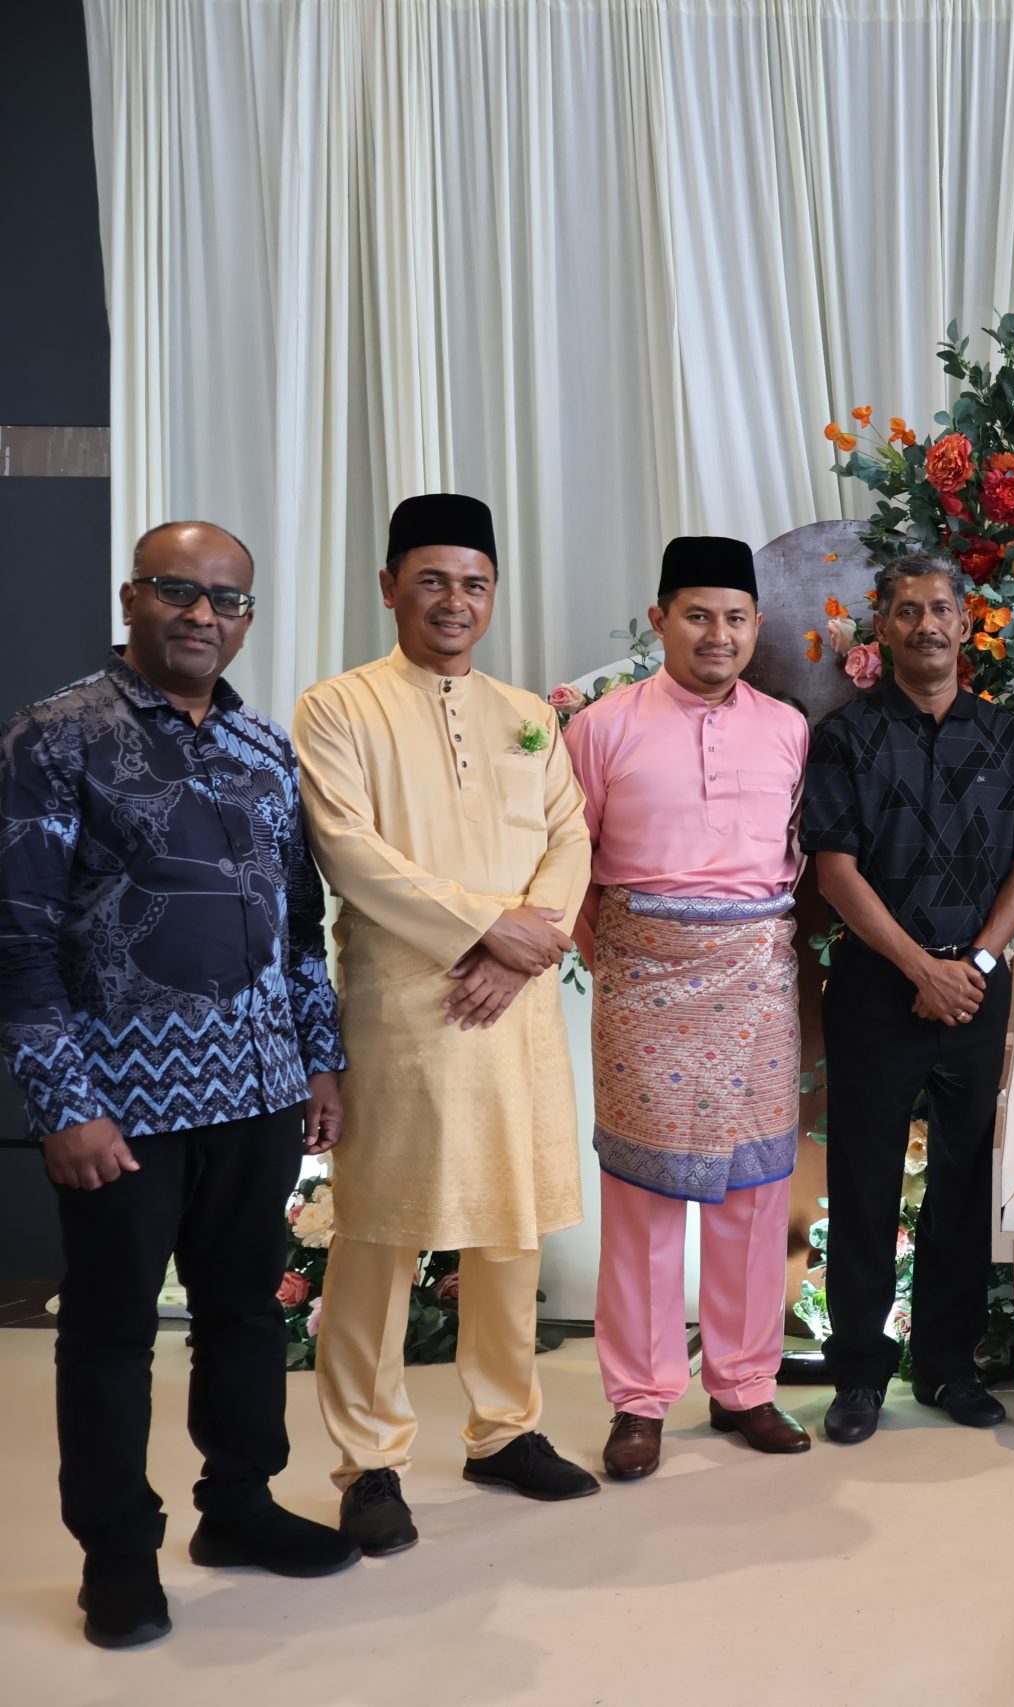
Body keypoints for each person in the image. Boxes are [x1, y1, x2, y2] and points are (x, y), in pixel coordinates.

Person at [0, 524, 358, 1647]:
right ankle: (116, 1556)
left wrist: (319, 1057)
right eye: (177, 591)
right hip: (124, 1106)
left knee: (245, 1314)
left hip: (258, 1092)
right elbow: (17, 938)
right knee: (111, 1335)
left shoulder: (264, 745)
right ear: (132, 598)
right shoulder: (57, 736)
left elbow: (299, 926)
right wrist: (65, 1104)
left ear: (246, 617)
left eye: (226, 600)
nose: (203, 615)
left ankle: (238, 1507)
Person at [295, 493, 597, 1554]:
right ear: (390, 587)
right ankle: (369, 1460)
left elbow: (570, 836)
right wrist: (483, 929)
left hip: (512, 1006)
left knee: (509, 1223)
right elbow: (349, 849)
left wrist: (519, 946)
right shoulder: (339, 707)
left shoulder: (525, 713)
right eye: (432, 580)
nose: (454, 601)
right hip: (404, 1006)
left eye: (474, 583)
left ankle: (503, 1430)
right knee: (380, 1230)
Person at [563, 537, 810, 1480]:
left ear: (756, 626)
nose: (718, 634)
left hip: (757, 979)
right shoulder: (603, 727)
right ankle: (639, 1399)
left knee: (755, 1191)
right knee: (644, 1197)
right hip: (644, 984)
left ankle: (744, 1384)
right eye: (698, 615)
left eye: (735, 618)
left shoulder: (787, 727)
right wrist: (626, 962)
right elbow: (570, 866)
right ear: (660, 618)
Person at [801, 553, 1014, 1444]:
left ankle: (949, 1365)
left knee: (965, 1183)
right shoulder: (844, 735)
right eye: (906, 610)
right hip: (878, 991)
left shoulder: (1007, 736)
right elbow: (834, 872)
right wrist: (921, 968)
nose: (926, 625)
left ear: (964, 621)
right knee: (863, 1186)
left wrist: (972, 966)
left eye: (940, 608)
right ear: (883, 627)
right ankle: (859, 1374)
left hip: (976, 992)